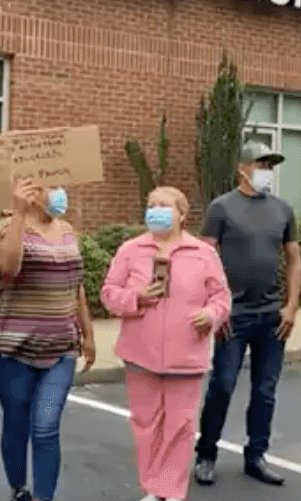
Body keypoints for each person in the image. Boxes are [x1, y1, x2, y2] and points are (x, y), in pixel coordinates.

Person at [100, 186, 231, 501]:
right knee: (146, 425)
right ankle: (153, 487)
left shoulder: (203, 253)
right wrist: (136, 297)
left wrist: (211, 315)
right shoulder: (131, 250)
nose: (155, 210)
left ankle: (172, 490)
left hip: (186, 355)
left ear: (182, 215)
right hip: (140, 355)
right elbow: (109, 293)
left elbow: (221, 296)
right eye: (151, 204)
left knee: (180, 426)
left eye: (164, 205)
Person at [193, 141, 301, 487]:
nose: (266, 171)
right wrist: (216, 308)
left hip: (272, 317)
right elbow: (205, 259)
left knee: (265, 391)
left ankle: (256, 455)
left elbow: (294, 259)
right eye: (260, 163)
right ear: (242, 168)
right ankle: (206, 453)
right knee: (223, 386)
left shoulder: (283, 209)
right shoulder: (221, 208)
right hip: (233, 317)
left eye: (270, 165)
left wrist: (291, 305)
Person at [0, 177, 97, 501]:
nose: (60, 192)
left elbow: (76, 284)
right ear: (32, 193)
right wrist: (19, 215)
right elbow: (7, 268)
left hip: (61, 349)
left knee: (46, 426)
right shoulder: (7, 228)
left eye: (62, 184)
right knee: (16, 422)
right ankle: (19, 487)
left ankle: (45, 496)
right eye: (51, 186)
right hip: (12, 349)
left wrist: (87, 332)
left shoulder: (68, 231)